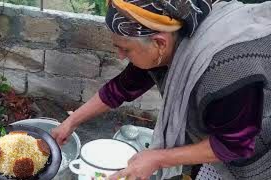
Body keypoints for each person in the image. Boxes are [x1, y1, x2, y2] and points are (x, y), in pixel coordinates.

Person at [51, 0, 271, 179]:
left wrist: (158, 158)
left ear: (160, 43)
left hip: (254, 149)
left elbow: (234, 146)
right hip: (225, 132)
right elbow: (122, 87)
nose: (120, 56)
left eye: (125, 49)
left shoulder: (225, 71)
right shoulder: (173, 37)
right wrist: (72, 121)